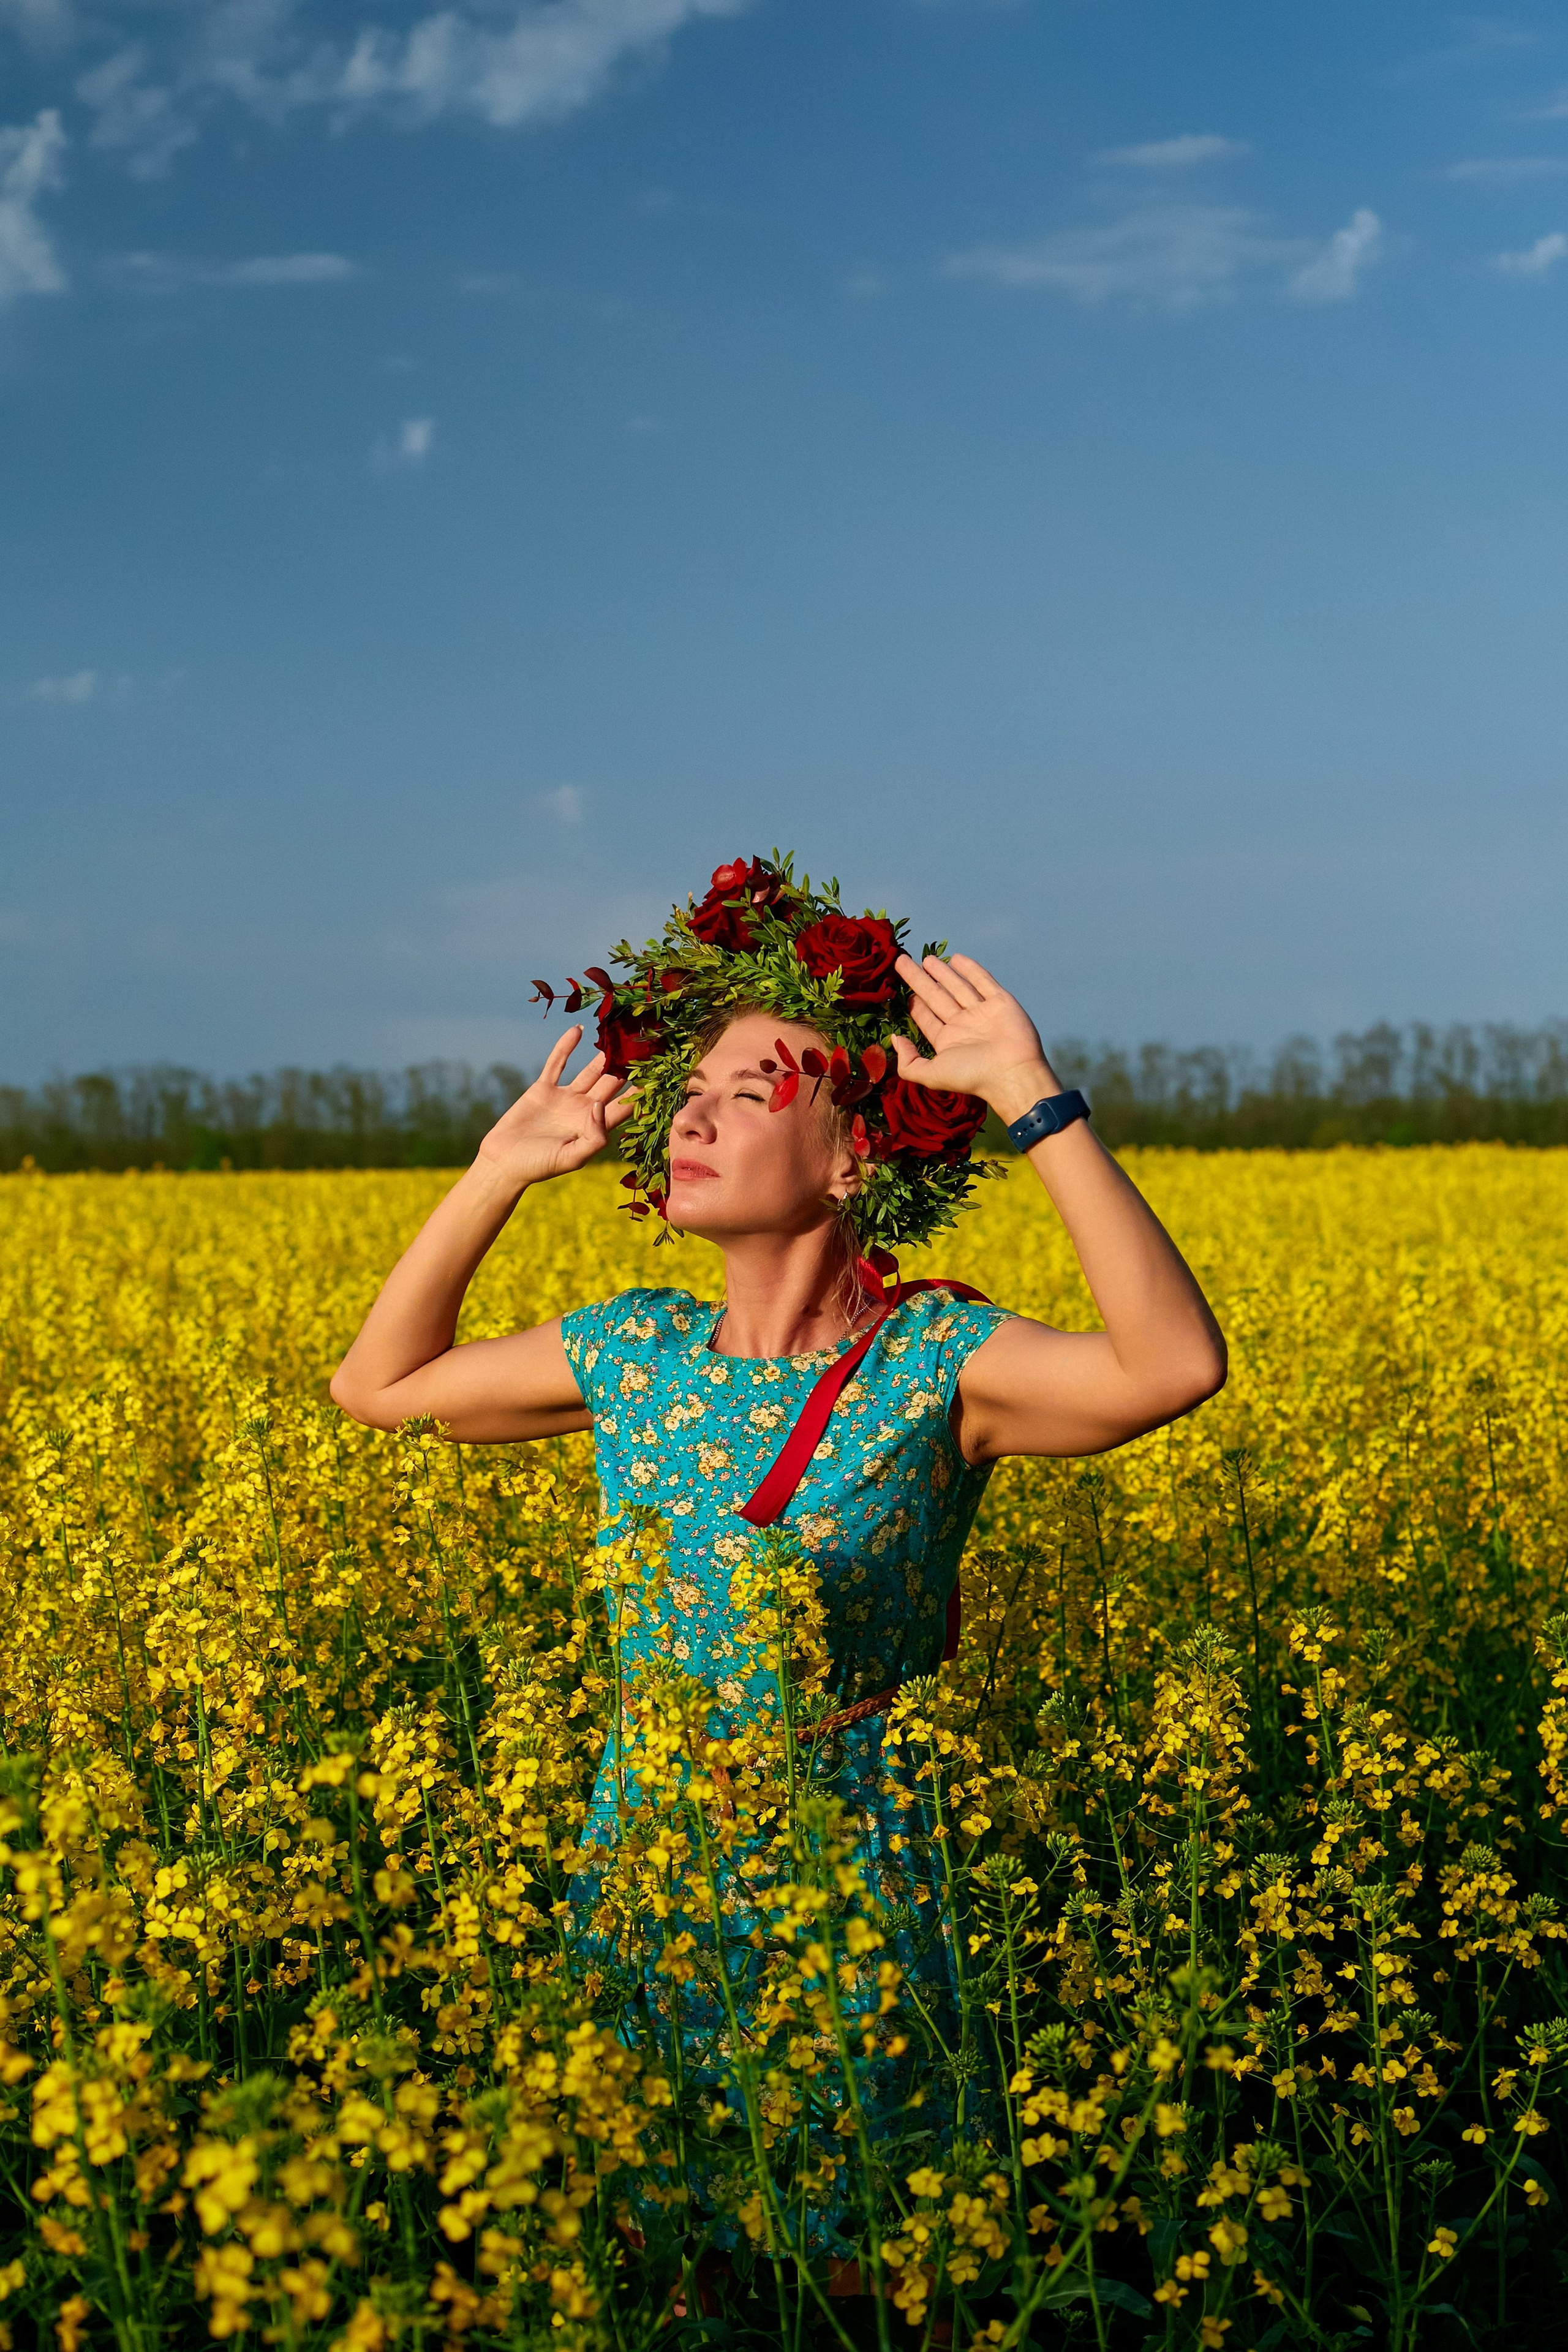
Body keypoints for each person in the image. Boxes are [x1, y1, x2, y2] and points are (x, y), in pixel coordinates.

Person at [329, 855, 1226, 2267]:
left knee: (863, 2257)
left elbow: (1171, 1366)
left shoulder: (939, 1366)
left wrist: (1029, 1103)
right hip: (648, 1864)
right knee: (648, 2258)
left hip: (859, 1872)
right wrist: (496, 1171)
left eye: (746, 1094)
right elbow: (378, 1385)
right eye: (685, 1094)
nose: (691, 1116)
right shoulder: (630, 1351)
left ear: (851, 1157)